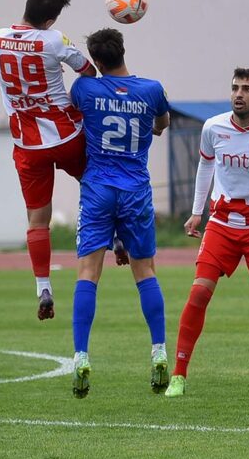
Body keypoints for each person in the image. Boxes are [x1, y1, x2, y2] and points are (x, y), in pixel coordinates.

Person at [168, 67, 249, 399]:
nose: (239, 94)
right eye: (235, 87)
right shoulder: (213, 127)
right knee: (199, 294)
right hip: (222, 223)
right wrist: (197, 212)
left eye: (246, 89)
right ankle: (178, 374)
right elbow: (206, 166)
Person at [0, 0, 110, 322]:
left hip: (27, 144)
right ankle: (115, 236)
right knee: (97, 182)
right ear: (51, 20)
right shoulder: (54, 40)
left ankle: (43, 286)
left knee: (37, 220)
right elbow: (87, 71)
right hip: (66, 135)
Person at [67, 27, 171, 398]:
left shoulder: (85, 89)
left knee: (88, 272)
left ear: (96, 60)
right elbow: (162, 126)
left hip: (98, 188)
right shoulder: (152, 89)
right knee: (145, 271)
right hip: (135, 189)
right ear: (123, 49)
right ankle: (159, 351)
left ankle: (81, 356)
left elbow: (72, 111)